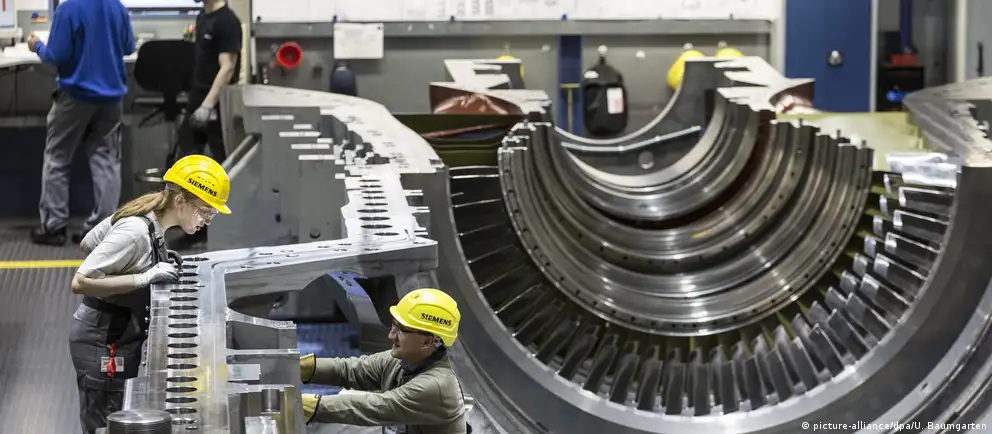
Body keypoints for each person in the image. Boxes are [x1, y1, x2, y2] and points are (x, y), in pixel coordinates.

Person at [68, 154, 231, 434]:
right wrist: (143, 276)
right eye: (205, 211)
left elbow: (89, 242)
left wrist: (153, 259)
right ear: (179, 201)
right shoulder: (136, 232)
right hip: (104, 340)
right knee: (106, 425)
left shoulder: (151, 221)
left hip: (117, 335)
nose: (207, 220)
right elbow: (80, 281)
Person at [27, 0, 136, 246]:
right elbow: (129, 47)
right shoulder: (118, 8)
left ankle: (54, 227)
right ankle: (101, 231)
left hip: (75, 96)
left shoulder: (68, 9)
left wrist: (37, 46)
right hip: (112, 98)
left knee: (57, 158)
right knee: (106, 161)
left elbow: (56, 55)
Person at [300, 288, 470, 434]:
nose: (391, 335)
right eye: (393, 325)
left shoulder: (436, 386)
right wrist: (299, 367)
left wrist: (308, 405)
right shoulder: (402, 361)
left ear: (427, 341)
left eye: (401, 330)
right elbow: (350, 370)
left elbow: (375, 407)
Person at [167, 0, 243, 167]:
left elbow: (228, 68)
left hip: (217, 100)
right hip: (197, 94)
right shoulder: (203, 17)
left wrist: (208, 105)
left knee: (222, 159)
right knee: (186, 155)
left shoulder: (227, 21)